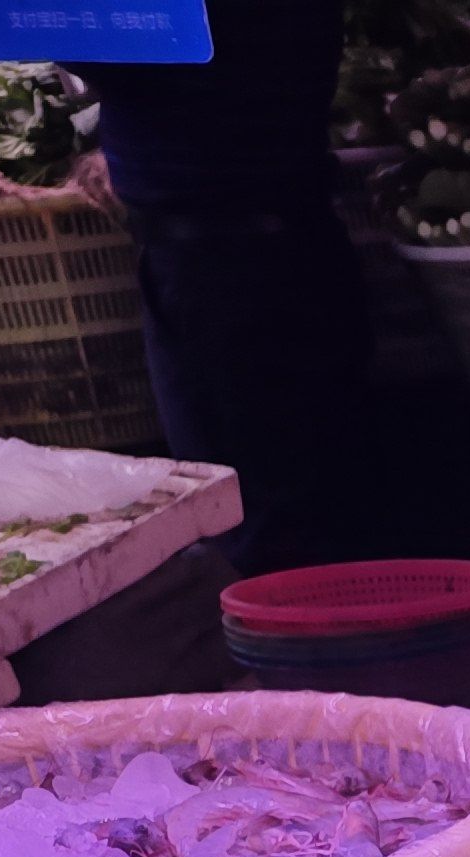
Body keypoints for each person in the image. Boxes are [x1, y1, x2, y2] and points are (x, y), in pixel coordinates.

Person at [83, 0, 377, 575]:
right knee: (312, 495)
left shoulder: (183, 24)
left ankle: (293, 620)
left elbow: (87, 40)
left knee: (256, 513)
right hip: (288, 242)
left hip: (220, 266)